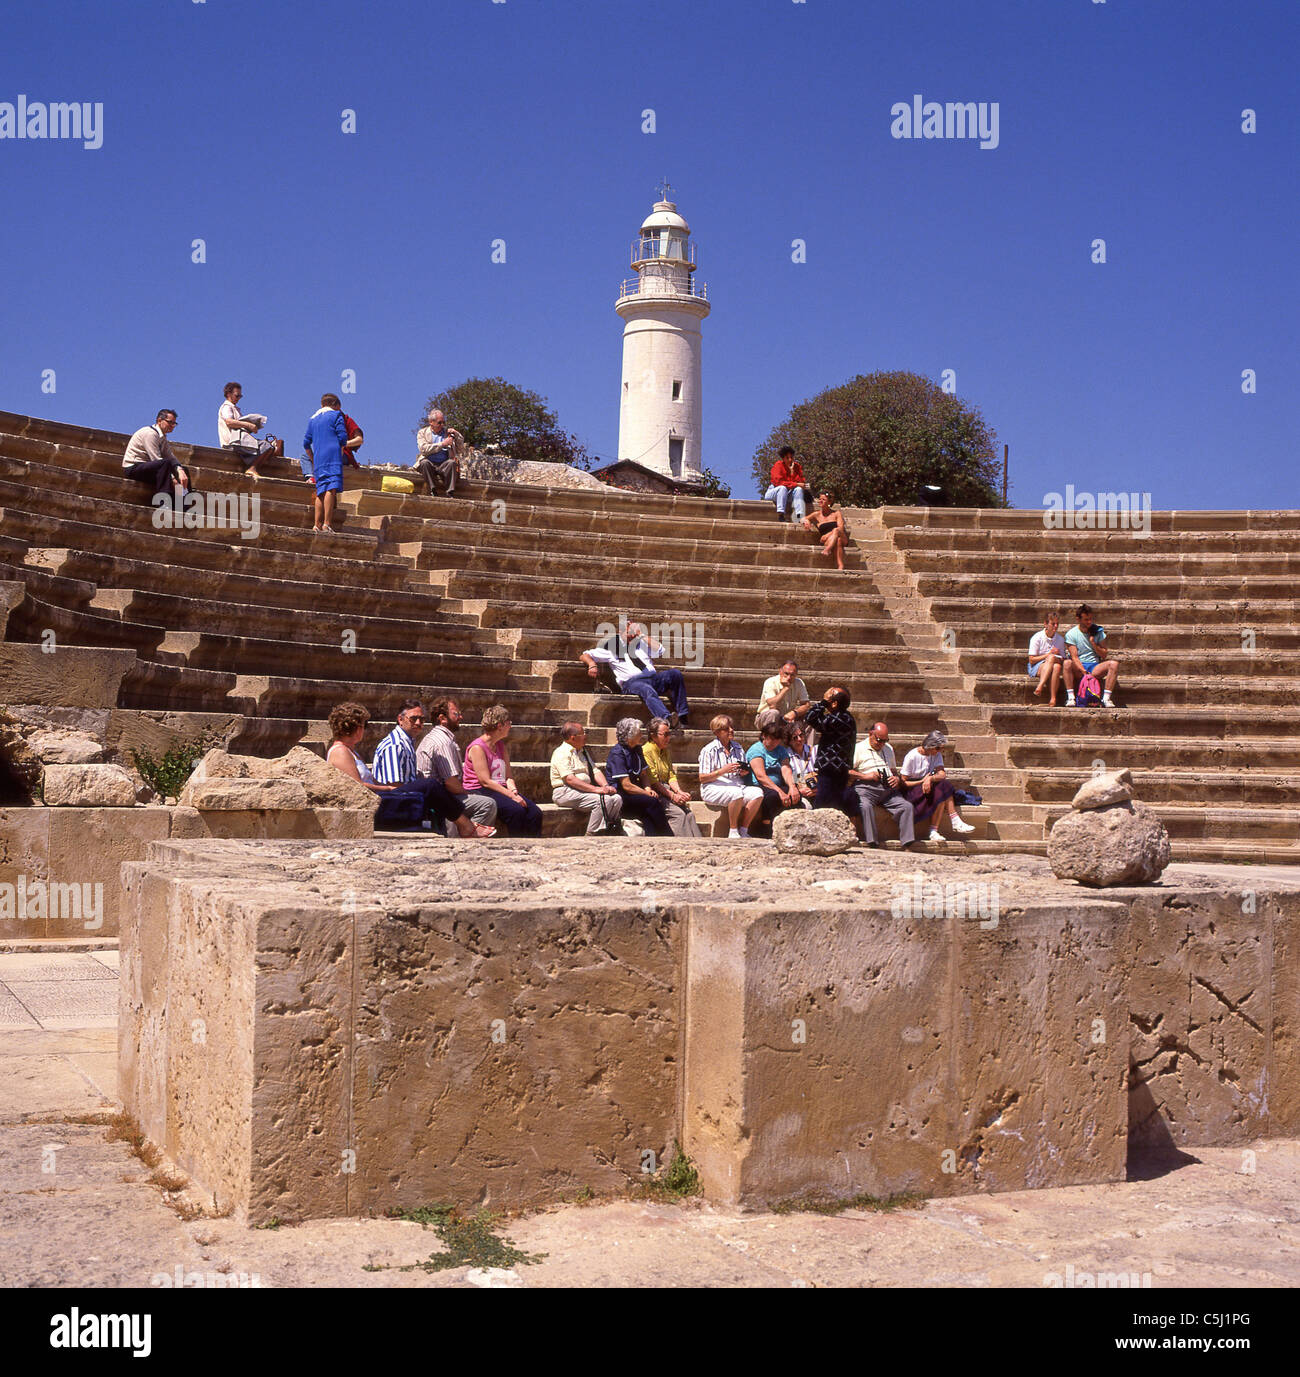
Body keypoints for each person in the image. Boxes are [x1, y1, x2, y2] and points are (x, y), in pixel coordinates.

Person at [329, 700, 492, 837]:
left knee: (431, 788)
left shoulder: (350, 751)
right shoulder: (341, 752)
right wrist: (387, 787)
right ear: (356, 727)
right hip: (375, 802)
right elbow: (358, 787)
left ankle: (465, 826)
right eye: (365, 725)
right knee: (430, 785)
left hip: (380, 796)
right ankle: (466, 826)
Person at [580, 620, 690, 727]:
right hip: (631, 683)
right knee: (646, 689)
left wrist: (641, 634)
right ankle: (667, 719)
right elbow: (584, 655)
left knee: (675, 674)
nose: (631, 636)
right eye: (629, 632)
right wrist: (592, 664)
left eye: (633, 633)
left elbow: (660, 650)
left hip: (653, 678)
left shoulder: (641, 642)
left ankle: (683, 716)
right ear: (621, 632)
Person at [416, 696, 499, 832]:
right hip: (439, 799)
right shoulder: (442, 742)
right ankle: (469, 837)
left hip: (440, 794)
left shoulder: (437, 737)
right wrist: (467, 792)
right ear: (442, 718)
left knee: (478, 795)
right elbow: (450, 783)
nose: (460, 717)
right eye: (456, 714)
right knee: (488, 804)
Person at [464, 705, 543, 836]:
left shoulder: (500, 745)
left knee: (535, 812)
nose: (510, 727)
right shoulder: (478, 747)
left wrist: (513, 791)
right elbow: (485, 781)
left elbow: (508, 776)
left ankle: (533, 845)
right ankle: (518, 846)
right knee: (516, 811)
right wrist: (511, 796)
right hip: (479, 789)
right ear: (500, 726)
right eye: (508, 723)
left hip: (500, 788)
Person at [849, 721, 916, 848]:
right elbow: (847, 771)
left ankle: (907, 842)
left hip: (887, 788)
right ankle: (872, 841)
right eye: (879, 740)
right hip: (866, 787)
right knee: (865, 806)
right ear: (870, 734)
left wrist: (896, 778)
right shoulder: (858, 748)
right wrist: (865, 776)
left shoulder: (888, 748)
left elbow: (894, 771)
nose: (882, 744)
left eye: (885, 741)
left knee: (906, 806)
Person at [550, 720, 622, 835]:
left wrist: (605, 786)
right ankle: (592, 834)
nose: (585, 736)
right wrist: (596, 789)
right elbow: (569, 779)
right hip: (564, 791)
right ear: (573, 738)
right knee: (603, 801)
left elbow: (595, 771)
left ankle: (609, 829)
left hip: (581, 790)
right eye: (583, 733)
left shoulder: (583, 752)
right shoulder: (561, 753)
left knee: (616, 798)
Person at [900, 730, 974, 842]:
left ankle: (940, 828)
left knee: (943, 787)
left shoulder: (936, 755)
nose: (940, 751)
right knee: (943, 789)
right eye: (938, 748)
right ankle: (951, 821)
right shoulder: (912, 756)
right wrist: (921, 781)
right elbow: (903, 782)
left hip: (927, 786)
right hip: (912, 789)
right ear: (930, 745)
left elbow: (942, 774)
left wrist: (930, 778)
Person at [697, 714, 764, 839]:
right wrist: (722, 771)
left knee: (757, 793)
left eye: (731, 727)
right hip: (713, 787)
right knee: (736, 793)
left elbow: (743, 769)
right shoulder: (708, 750)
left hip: (736, 784)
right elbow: (702, 778)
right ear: (717, 732)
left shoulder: (738, 747)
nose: (731, 730)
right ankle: (733, 830)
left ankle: (744, 829)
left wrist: (744, 771)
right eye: (727, 729)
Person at [605, 718, 673, 836]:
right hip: (622, 794)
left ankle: (655, 838)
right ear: (629, 736)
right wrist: (645, 793)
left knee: (647, 810)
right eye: (638, 732)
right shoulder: (618, 753)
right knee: (651, 802)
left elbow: (644, 774)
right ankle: (668, 835)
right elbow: (626, 785)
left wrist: (648, 789)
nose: (642, 734)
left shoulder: (637, 749)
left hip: (636, 791)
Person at [802, 686, 858, 815]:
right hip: (834, 769)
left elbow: (810, 718)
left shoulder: (840, 718)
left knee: (823, 805)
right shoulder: (843, 717)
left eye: (829, 699)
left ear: (834, 703)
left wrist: (823, 702)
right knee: (831, 805)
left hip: (832, 770)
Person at [643, 718, 703, 837]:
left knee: (689, 814)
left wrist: (679, 792)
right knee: (678, 814)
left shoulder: (664, 750)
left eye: (669, 733)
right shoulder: (646, 751)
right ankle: (681, 844)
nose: (668, 738)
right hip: (655, 792)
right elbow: (653, 781)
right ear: (653, 735)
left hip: (666, 790)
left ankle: (698, 844)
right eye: (665, 734)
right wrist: (673, 796)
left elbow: (671, 775)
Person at [302, 393, 350, 533]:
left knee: (320, 489)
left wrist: (313, 458)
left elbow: (306, 443)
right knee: (331, 488)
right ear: (335, 405)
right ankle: (327, 523)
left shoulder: (313, 420)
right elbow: (342, 437)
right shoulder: (336, 416)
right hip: (332, 454)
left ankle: (316, 524)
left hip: (318, 456)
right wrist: (340, 451)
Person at [217, 382, 281, 481]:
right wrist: (248, 425)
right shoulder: (227, 407)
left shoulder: (234, 408)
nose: (238, 398)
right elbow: (229, 422)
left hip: (239, 440)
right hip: (233, 442)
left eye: (240, 396)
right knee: (267, 446)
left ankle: (253, 467)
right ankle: (252, 468)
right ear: (229, 394)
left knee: (268, 447)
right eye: (237, 395)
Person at [745, 719, 801, 829]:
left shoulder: (781, 750)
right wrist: (779, 791)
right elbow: (761, 776)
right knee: (773, 797)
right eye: (772, 739)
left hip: (778, 783)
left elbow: (786, 768)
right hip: (761, 785)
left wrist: (792, 786)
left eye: (777, 740)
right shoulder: (756, 750)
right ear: (764, 736)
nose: (774, 743)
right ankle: (766, 827)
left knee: (795, 795)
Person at [122, 409, 192, 497]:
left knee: (183, 470)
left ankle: (185, 504)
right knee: (165, 465)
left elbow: (170, 457)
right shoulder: (150, 434)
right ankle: (164, 502)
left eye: (174, 423)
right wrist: (173, 479)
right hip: (134, 468)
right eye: (170, 422)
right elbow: (156, 459)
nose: (172, 426)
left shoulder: (162, 437)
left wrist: (180, 470)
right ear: (159, 421)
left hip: (150, 468)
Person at [1064, 604, 1122, 708]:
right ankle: (1071, 697)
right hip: (1079, 667)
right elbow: (1074, 657)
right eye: (1086, 619)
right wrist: (1083, 671)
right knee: (1067, 663)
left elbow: (1104, 654)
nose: (1089, 622)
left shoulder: (1098, 631)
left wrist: (1093, 644)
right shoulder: (1071, 634)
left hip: (1094, 666)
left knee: (1114, 664)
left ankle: (1106, 698)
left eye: (1090, 619)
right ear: (1078, 619)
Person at [1027, 611, 1074, 708]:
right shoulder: (1037, 637)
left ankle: (1052, 696)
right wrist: (1048, 655)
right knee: (1051, 658)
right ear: (1045, 624)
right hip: (1037, 666)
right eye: (1053, 624)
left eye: (1057, 624)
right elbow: (1031, 660)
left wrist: (1055, 657)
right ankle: (1044, 687)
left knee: (1056, 666)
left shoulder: (1060, 639)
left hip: (1053, 664)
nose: (1056, 626)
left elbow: (1063, 659)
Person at [414, 409, 463, 497]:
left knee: (452, 463)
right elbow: (423, 449)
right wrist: (442, 444)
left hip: (444, 463)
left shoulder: (447, 433)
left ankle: (450, 492)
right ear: (431, 422)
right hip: (429, 462)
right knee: (424, 463)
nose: (442, 425)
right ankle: (432, 489)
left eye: (443, 422)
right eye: (439, 423)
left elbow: (460, 449)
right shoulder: (422, 433)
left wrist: (456, 434)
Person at [755, 660, 811, 732]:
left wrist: (795, 713)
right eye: (786, 674)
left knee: (810, 716)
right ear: (780, 672)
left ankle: (805, 743)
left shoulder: (799, 683)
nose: (789, 677)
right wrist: (785, 688)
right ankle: (770, 741)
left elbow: (806, 705)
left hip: (787, 718)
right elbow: (772, 705)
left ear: (796, 675)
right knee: (774, 713)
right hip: (766, 718)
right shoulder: (770, 682)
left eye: (792, 675)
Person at [802, 492, 849, 572]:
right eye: (819, 499)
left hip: (841, 536)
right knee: (838, 541)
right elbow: (803, 518)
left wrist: (828, 534)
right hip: (829, 540)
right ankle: (840, 565)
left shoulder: (836, 514)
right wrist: (807, 521)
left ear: (829, 502)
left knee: (836, 530)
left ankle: (828, 549)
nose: (820, 501)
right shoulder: (816, 514)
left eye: (823, 499)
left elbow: (840, 528)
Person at [764, 446, 810, 524]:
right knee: (782, 488)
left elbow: (801, 483)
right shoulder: (778, 465)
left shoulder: (797, 467)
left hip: (788, 494)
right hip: (774, 492)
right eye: (787, 458)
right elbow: (778, 482)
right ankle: (781, 515)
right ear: (783, 458)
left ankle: (799, 516)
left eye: (791, 457)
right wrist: (796, 483)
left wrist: (792, 472)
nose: (790, 460)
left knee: (798, 489)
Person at [786, 723, 817, 806]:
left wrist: (817, 788)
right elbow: (791, 775)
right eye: (795, 738)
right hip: (799, 791)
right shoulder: (786, 755)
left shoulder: (814, 750)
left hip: (818, 789)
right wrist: (800, 790)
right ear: (789, 741)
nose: (799, 739)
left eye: (801, 735)